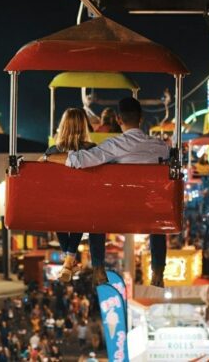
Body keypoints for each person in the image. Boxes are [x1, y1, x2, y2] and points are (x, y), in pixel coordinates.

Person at [45, 97, 170, 287]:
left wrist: (49, 158)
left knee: (96, 214)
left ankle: (98, 268)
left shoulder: (114, 146)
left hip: (117, 212)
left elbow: (80, 160)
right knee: (157, 222)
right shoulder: (161, 147)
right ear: (141, 119)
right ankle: (158, 271)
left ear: (119, 120)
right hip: (147, 211)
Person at [42, 108, 96, 282]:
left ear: (63, 127)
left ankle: (69, 261)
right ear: (84, 126)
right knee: (80, 214)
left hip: (58, 203)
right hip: (85, 201)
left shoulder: (51, 152)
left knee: (60, 215)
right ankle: (68, 263)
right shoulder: (92, 149)